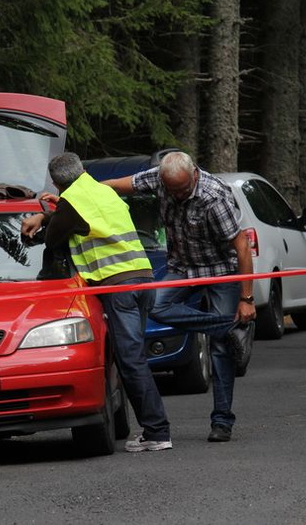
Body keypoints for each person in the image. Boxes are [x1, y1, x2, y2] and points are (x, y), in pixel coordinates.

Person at [21, 152, 172, 453]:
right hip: (142, 279)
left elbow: (52, 240)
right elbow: (79, 218)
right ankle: (149, 429)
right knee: (132, 358)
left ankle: (157, 431)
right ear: (81, 170)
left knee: (131, 361)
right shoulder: (101, 190)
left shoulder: (72, 201)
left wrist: (47, 214)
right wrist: (53, 211)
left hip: (118, 287)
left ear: (56, 181)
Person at [103, 150, 255, 443]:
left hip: (222, 271)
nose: (179, 195)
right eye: (172, 191)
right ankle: (226, 326)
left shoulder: (214, 197)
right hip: (183, 268)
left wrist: (246, 299)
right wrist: (74, 195)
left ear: (195, 174)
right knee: (157, 305)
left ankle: (222, 421)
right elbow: (114, 185)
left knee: (221, 350)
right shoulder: (160, 179)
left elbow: (243, 246)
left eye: (183, 189)